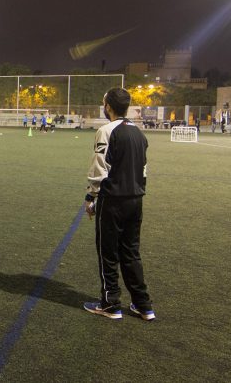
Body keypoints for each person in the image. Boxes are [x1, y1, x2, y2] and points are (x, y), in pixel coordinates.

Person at [83, 87, 154, 321]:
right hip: (136, 200)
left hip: (113, 201)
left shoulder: (106, 131)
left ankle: (110, 303)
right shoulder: (139, 133)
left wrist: (91, 197)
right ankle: (143, 305)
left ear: (109, 107)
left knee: (108, 252)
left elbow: (100, 167)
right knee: (131, 252)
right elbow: (144, 169)